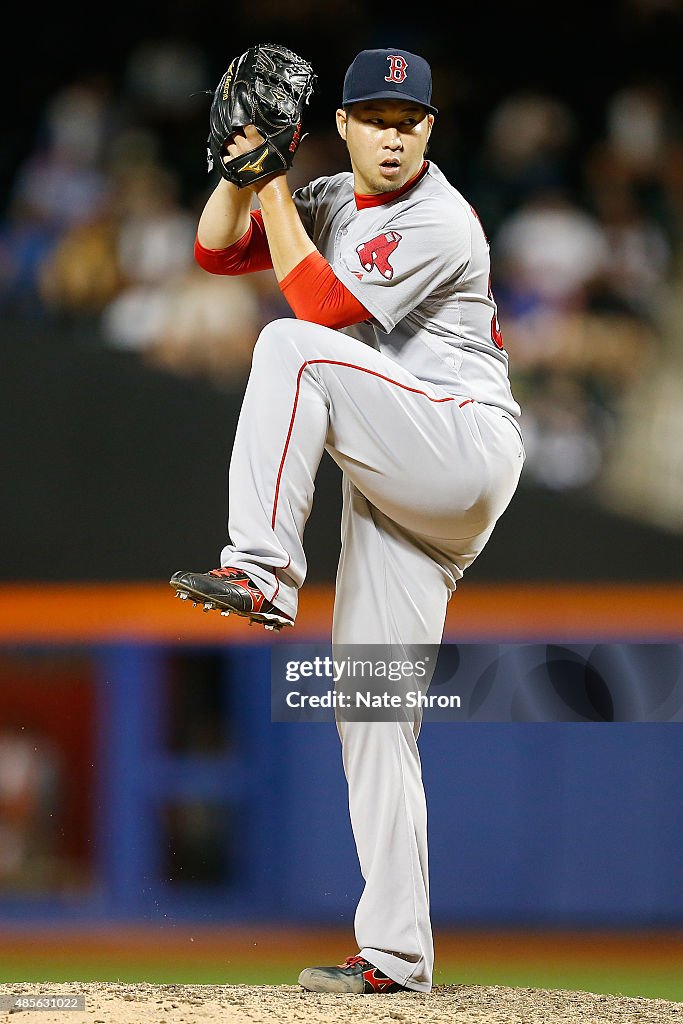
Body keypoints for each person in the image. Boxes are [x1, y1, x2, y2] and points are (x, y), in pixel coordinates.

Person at [171, 46, 525, 994]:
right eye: (374, 118)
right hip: (400, 489)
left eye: (409, 121)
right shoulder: (327, 196)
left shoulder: (440, 217)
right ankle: (397, 958)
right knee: (370, 711)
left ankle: (261, 568)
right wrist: (238, 166)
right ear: (344, 126)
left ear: (430, 132)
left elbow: (319, 308)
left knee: (290, 344)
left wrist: (274, 184)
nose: (393, 135)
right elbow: (214, 249)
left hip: (459, 446)